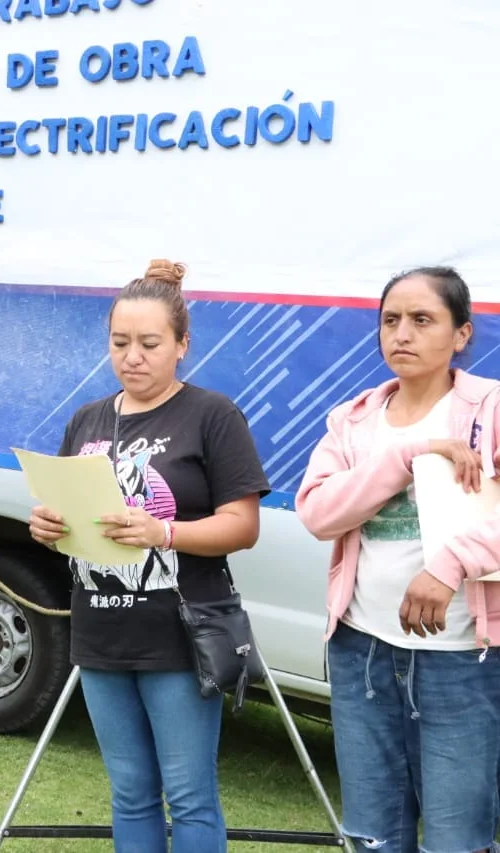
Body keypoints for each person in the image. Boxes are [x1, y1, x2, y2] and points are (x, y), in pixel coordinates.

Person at [28, 260, 269, 853]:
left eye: (150, 343)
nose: (132, 356)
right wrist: (47, 526)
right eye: (120, 342)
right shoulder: (88, 418)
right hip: (102, 630)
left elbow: (243, 526)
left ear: (183, 345)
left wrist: (164, 533)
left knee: (189, 797)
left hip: (179, 635)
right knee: (130, 793)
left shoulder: (213, 415)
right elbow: (69, 514)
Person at [296, 267, 500, 853]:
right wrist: (408, 454)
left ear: (461, 334)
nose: (402, 334)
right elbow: (317, 514)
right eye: (390, 321)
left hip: (461, 659)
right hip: (361, 650)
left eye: (422, 320)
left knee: (456, 840)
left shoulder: (488, 410)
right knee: (372, 838)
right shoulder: (355, 419)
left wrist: (449, 565)